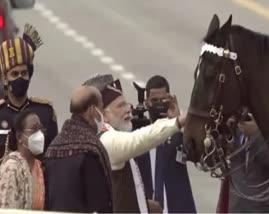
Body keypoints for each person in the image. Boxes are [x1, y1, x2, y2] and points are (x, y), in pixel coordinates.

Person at [84, 77, 185, 213]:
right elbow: (138, 140)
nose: (128, 109)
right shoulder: (105, 139)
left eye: (126, 104)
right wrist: (177, 122)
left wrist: (143, 204)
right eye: (120, 106)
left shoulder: (115, 133)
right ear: (104, 116)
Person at [44, 86, 113, 213]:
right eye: (101, 108)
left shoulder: (52, 148)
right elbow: (99, 203)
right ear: (93, 110)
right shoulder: (90, 149)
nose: (102, 115)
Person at [0, 23, 58, 161]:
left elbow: (54, 157)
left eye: (23, 73)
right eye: (14, 74)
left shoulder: (45, 112)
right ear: (5, 79)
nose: (20, 77)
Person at [146, 75, 196, 213]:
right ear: (146, 103)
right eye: (154, 100)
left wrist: (177, 121)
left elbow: (200, 156)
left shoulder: (178, 134)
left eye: (163, 100)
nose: (159, 104)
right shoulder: (139, 137)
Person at [216, 114, 269, 213]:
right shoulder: (235, 128)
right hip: (233, 208)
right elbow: (213, 161)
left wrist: (256, 134)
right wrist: (224, 134)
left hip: (261, 209)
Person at [0, 109, 45, 209]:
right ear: (19, 136)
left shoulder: (39, 167)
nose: (40, 134)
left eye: (40, 129)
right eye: (34, 129)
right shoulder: (11, 169)